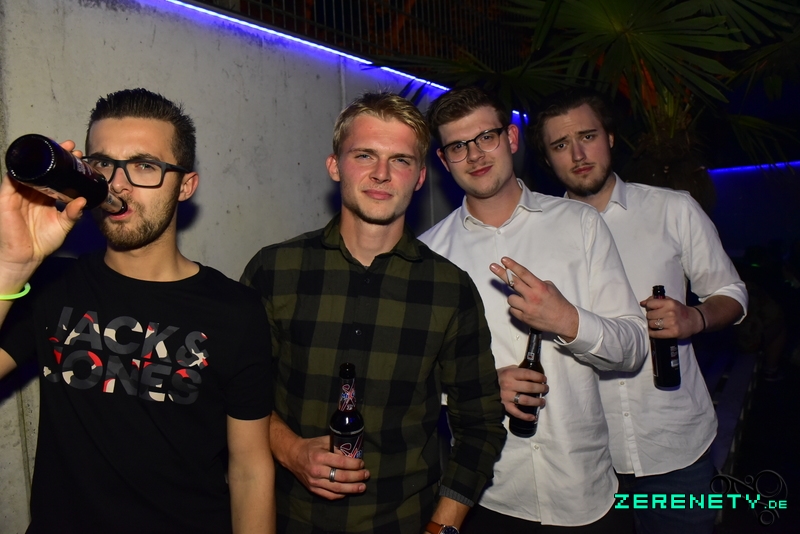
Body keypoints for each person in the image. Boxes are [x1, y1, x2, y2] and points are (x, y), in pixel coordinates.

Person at [0, 88, 275, 534]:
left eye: (145, 166)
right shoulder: (53, 287)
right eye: (102, 164)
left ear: (185, 186)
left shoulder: (235, 311)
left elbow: (250, 469)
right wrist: (11, 267)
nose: (117, 184)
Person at [240, 92, 506, 534]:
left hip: (406, 522)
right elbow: (237, 397)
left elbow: (480, 425)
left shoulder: (449, 289)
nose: (382, 173)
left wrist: (442, 527)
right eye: (364, 155)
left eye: (400, 160)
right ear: (335, 166)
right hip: (289, 520)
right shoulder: (275, 270)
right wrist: (290, 451)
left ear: (420, 177)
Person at [420, 86, 648, 532]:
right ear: (444, 161)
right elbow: (415, 377)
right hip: (489, 495)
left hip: (586, 492)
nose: (475, 155)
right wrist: (480, 388)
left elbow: (634, 347)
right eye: (458, 146)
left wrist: (568, 320)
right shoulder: (429, 255)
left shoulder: (580, 223)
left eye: (486, 137)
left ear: (511, 138)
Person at [529, 88, 748, 534]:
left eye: (588, 136)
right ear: (547, 159)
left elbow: (732, 293)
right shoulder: (537, 235)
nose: (578, 154)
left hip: (676, 446)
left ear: (610, 137)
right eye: (560, 144)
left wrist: (696, 317)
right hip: (586, 460)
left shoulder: (673, 209)